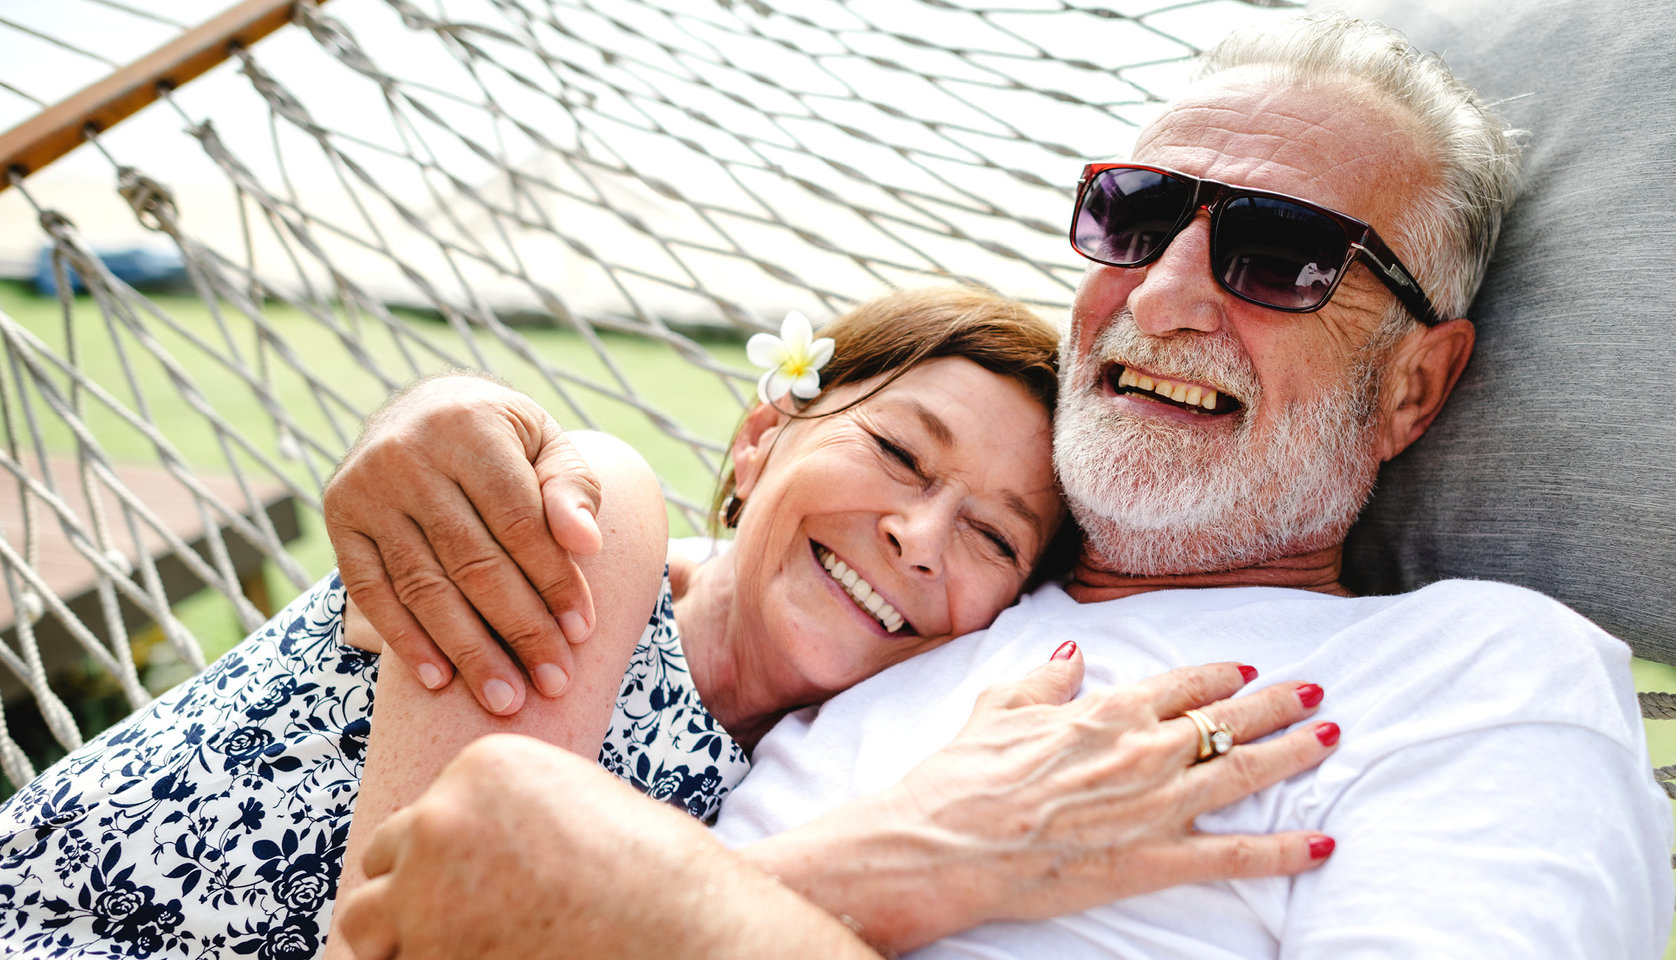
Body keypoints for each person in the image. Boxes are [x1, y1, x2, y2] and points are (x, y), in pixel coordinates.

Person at [332, 13, 1676, 959]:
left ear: (1412, 387)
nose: (1161, 294)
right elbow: (689, 581)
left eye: (1280, 254)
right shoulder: (926, 603)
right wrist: (452, 424)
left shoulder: (1482, 678)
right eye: (1138, 216)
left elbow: (509, 896)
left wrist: (640, 915)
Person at [0, 288, 1341, 959]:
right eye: (896, 452)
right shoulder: (606, 525)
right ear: (762, 441)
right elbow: (399, 936)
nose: (920, 540)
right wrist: (900, 862)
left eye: (993, 535)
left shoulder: (791, 775)